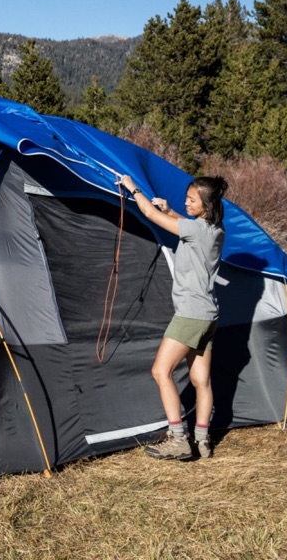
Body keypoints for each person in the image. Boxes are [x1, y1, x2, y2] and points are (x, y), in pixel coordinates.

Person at [120, 173, 228, 460]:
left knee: (160, 371)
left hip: (191, 314)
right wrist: (173, 212)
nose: (186, 202)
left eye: (192, 200)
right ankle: (203, 441)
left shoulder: (194, 230)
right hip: (209, 315)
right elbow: (191, 227)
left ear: (206, 205)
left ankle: (178, 438)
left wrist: (134, 188)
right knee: (201, 381)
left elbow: (147, 213)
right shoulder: (216, 230)